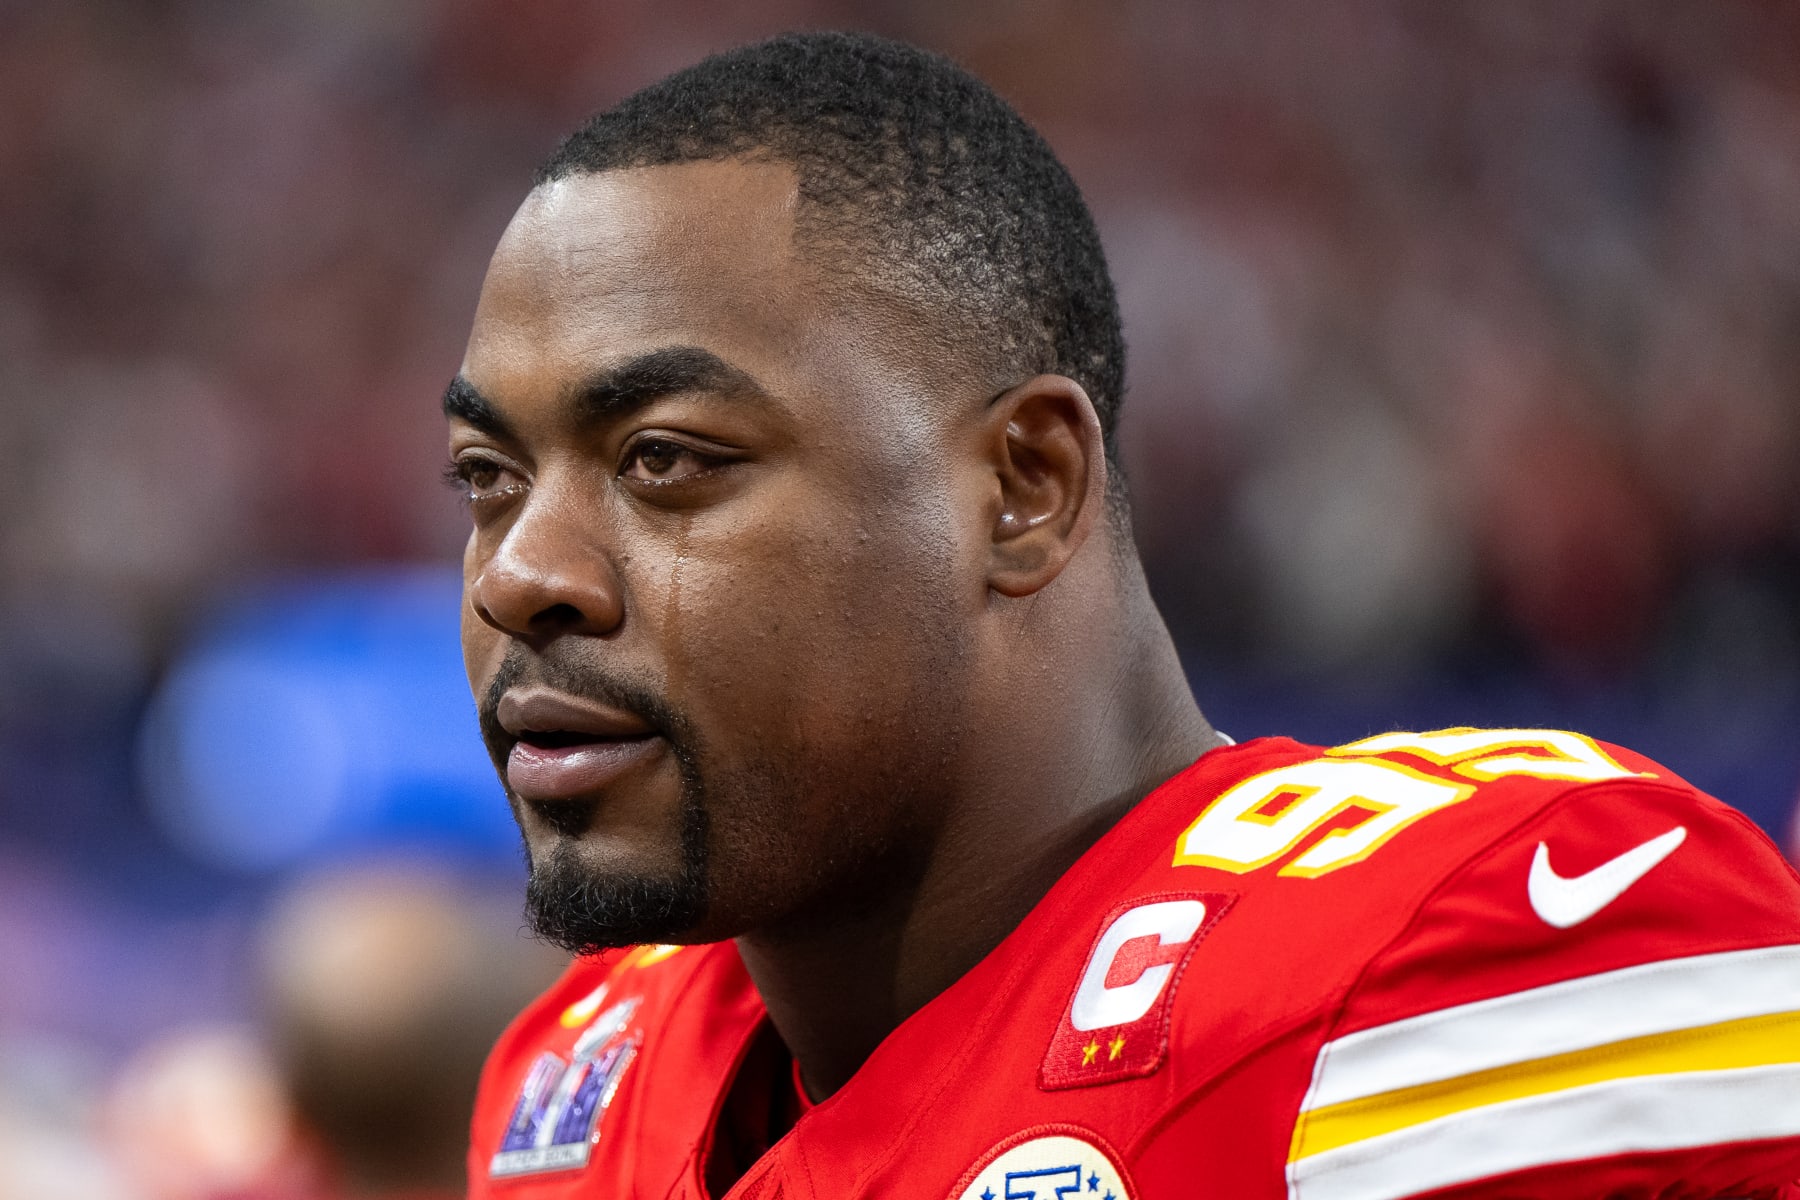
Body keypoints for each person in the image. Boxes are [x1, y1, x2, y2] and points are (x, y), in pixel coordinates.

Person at [444, 32, 1800, 1200]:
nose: (520, 573)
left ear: (1025, 488)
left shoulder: (1449, 960)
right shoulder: (575, 1090)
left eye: (666, 460)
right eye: (488, 481)